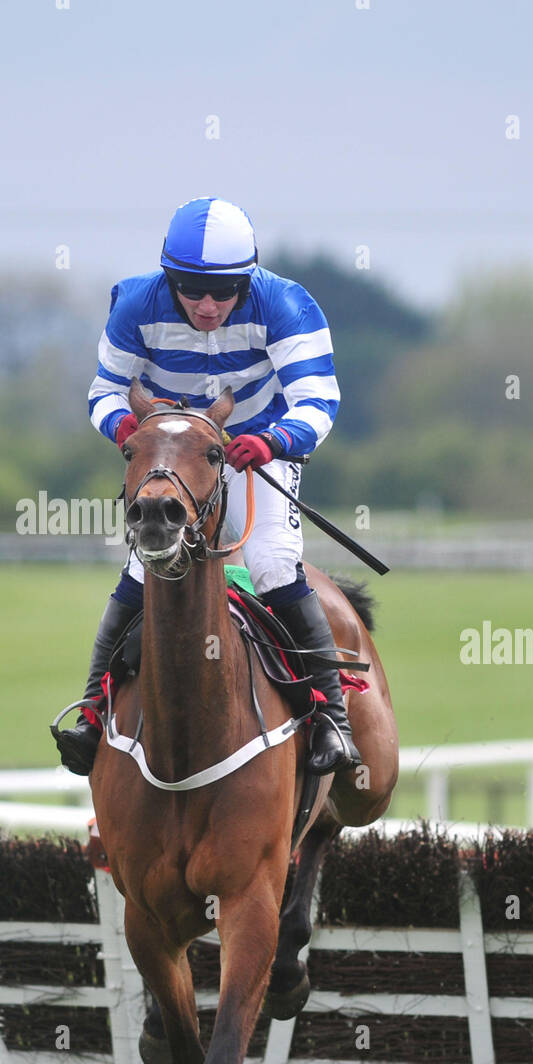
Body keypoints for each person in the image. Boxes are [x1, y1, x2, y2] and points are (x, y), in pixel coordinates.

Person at [54, 196, 359, 778]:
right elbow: (104, 392)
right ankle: (91, 711)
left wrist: (275, 441)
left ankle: (332, 720)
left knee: (271, 563)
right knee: (145, 569)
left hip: (253, 450)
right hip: (171, 456)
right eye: (192, 290)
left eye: (224, 292)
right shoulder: (134, 303)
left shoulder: (288, 304)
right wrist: (128, 429)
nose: (209, 305)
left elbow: (319, 400)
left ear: (249, 281)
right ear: (169, 279)